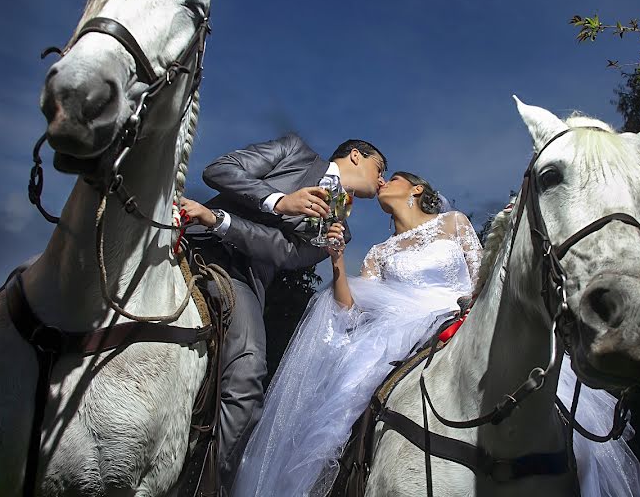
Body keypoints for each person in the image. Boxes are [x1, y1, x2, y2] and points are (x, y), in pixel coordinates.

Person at [230, 171, 483, 496]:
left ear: (416, 188)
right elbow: (350, 309)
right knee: (340, 413)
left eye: (391, 178)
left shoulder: (453, 222)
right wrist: (337, 259)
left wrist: (469, 315)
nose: (382, 183)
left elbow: (481, 277)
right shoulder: (379, 252)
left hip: (457, 319)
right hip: (396, 333)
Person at [178, 134, 387, 492]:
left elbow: (287, 255)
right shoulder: (294, 150)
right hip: (189, 234)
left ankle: (204, 485)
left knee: (248, 374)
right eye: (380, 168)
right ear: (355, 155)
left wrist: (220, 220)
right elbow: (220, 170)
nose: (382, 180)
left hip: (240, 276)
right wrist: (278, 201)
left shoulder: (342, 231)